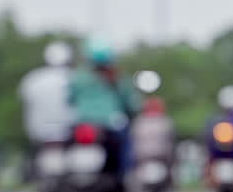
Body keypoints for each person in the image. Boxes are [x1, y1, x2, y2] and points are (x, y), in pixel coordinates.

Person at [68, 39, 142, 180]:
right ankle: (126, 175)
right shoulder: (116, 77)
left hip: (81, 123)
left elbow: (69, 99)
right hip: (109, 124)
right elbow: (131, 102)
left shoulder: (78, 76)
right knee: (126, 141)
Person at [19, 41, 75, 151]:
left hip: (39, 135)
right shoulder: (74, 78)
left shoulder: (32, 79)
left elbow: (25, 101)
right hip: (68, 133)